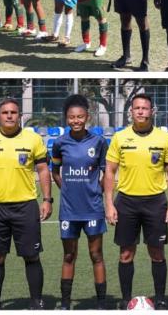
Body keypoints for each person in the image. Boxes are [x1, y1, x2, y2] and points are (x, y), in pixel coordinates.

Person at [0, 98, 52, 310]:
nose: (9, 116)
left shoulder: (33, 140)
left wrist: (47, 199)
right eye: (5, 112)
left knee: (32, 256)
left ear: (19, 116)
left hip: (26, 206)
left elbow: (43, 170)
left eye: (13, 112)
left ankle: (36, 301)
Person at [103, 93, 168, 309]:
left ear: (152, 112)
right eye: (136, 108)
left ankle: (161, 298)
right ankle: (126, 299)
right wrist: (109, 203)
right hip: (126, 202)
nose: (140, 111)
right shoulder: (120, 137)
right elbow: (109, 171)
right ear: (131, 111)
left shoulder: (164, 139)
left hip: (156, 202)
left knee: (156, 252)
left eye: (144, 108)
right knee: (126, 253)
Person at [50, 95, 108, 310]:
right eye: (72, 117)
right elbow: (55, 171)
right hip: (69, 210)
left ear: (87, 117)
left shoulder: (99, 142)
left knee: (96, 255)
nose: (76, 121)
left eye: (80, 117)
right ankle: (65, 303)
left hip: (93, 209)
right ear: (67, 119)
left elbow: (106, 173)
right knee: (69, 255)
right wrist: (65, 188)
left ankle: (101, 303)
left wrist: (97, 190)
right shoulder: (59, 143)